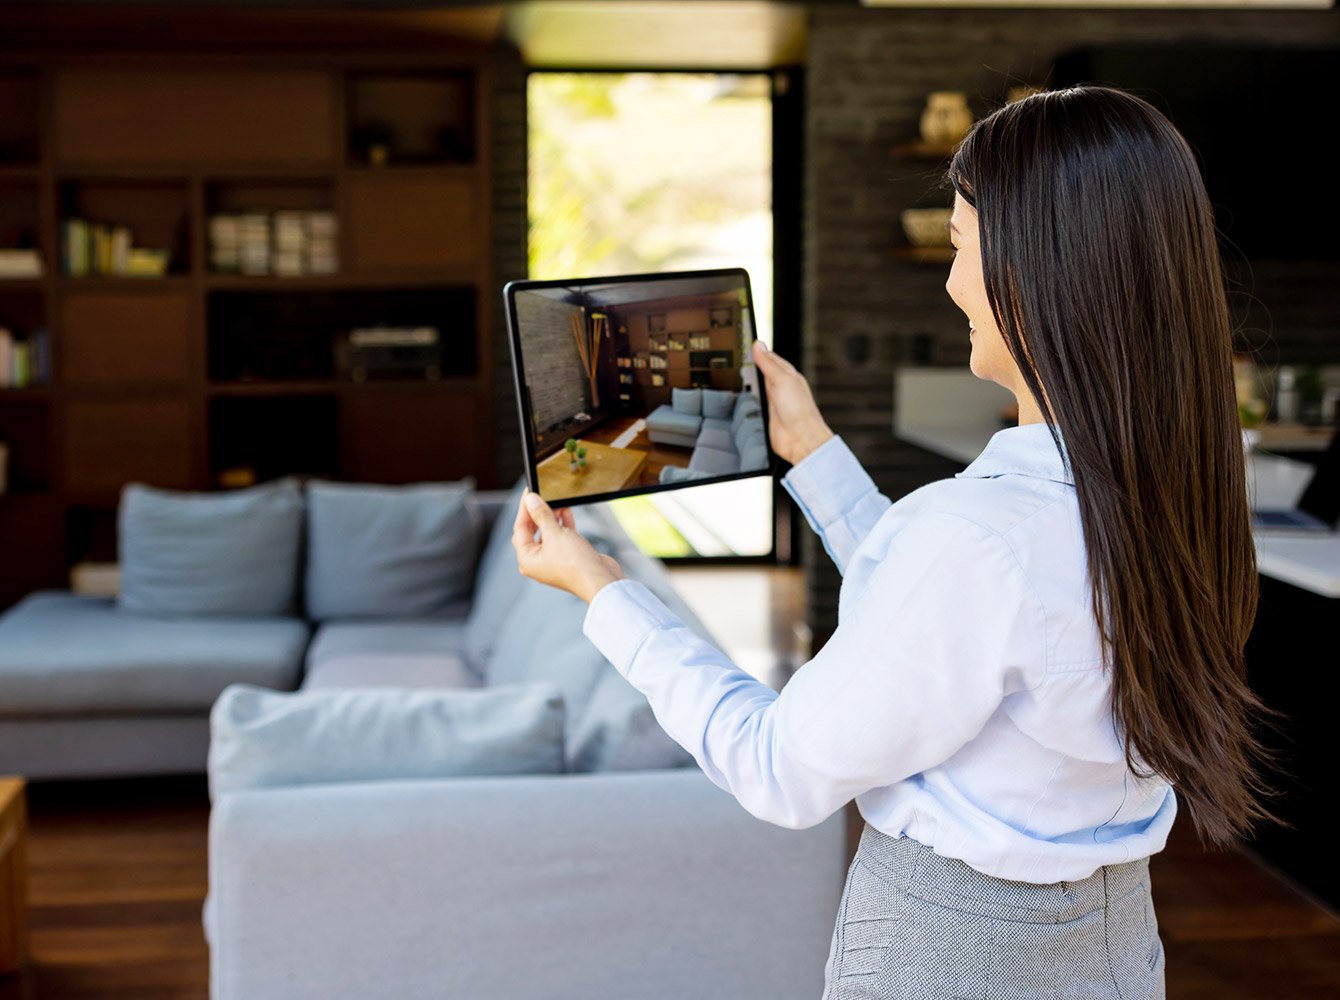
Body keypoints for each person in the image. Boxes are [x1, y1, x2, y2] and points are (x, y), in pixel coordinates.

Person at [511, 85, 1276, 1000]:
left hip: (953, 956)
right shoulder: (1179, 496)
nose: (951, 284)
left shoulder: (979, 538)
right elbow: (958, 617)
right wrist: (811, 449)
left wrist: (603, 589)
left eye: (959, 245)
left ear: (1034, 272)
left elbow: (778, 766)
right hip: (1116, 947)